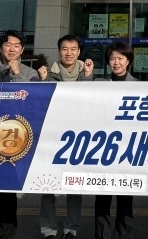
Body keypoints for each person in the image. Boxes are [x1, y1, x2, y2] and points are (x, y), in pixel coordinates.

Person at [0, 30, 39, 239]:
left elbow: (32, 101)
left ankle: (7, 233)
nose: (12, 49)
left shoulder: (31, 73)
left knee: (9, 189)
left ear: (22, 50)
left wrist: (16, 73)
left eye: (17, 45)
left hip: (17, 138)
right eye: (8, 44)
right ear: (0, 47)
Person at [37, 34, 94, 239]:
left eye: (73, 49)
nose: (68, 53)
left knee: (74, 187)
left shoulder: (88, 74)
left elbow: (90, 102)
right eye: (64, 49)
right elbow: (39, 104)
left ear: (79, 52)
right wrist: (43, 82)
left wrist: (87, 77)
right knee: (47, 187)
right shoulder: (49, 73)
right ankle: (48, 231)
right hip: (51, 138)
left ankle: (72, 229)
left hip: (78, 138)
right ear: (59, 51)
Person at [94, 41, 138, 239]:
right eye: (112, 58)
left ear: (128, 61)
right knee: (102, 199)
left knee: (125, 200)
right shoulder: (99, 85)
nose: (116, 62)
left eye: (121, 58)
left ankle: (123, 235)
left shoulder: (139, 87)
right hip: (103, 149)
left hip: (127, 150)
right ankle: (102, 235)